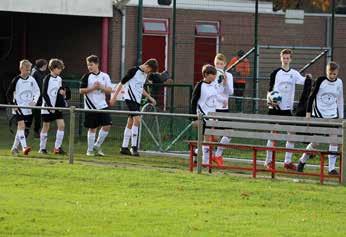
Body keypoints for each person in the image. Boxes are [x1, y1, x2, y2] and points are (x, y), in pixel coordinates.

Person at [264, 49, 311, 170]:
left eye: (287, 58)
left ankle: (287, 162)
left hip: (287, 110)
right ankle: (268, 161)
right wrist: (269, 100)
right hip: (275, 108)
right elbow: (269, 90)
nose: (285, 60)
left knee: (291, 134)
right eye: (284, 58)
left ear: (291, 59)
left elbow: (304, 82)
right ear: (281, 58)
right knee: (274, 134)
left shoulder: (294, 74)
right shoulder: (275, 73)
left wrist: (309, 79)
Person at [297, 62, 343, 175]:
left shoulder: (339, 82)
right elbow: (311, 97)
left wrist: (341, 117)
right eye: (330, 73)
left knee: (334, 140)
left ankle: (331, 168)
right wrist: (308, 113)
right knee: (316, 142)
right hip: (319, 115)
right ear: (326, 71)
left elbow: (340, 100)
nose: (332, 76)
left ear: (337, 73)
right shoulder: (321, 80)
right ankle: (302, 161)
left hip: (332, 116)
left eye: (334, 74)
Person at [110, 59, 158, 156]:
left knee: (131, 121)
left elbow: (140, 88)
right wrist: (114, 97)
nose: (149, 73)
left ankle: (124, 147)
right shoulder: (133, 71)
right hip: (129, 98)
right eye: (150, 71)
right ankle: (134, 147)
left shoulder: (144, 75)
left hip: (137, 100)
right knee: (137, 120)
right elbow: (121, 83)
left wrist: (150, 97)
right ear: (147, 66)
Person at [191, 64, 225, 165]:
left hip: (212, 116)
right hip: (203, 116)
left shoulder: (213, 85)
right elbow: (193, 101)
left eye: (215, 74)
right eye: (212, 74)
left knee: (216, 138)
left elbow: (216, 96)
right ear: (206, 74)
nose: (214, 76)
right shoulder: (200, 85)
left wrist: (224, 100)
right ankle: (205, 162)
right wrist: (194, 118)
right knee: (207, 138)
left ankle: (197, 151)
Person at [80, 55, 113, 157]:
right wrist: (93, 88)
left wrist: (101, 87)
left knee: (107, 125)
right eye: (88, 65)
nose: (89, 67)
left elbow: (110, 90)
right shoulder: (86, 76)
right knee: (92, 128)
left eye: (91, 64)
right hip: (90, 106)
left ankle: (97, 145)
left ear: (97, 64)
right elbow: (81, 91)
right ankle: (89, 150)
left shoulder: (105, 76)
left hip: (102, 105)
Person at [6, 59, 40, 156]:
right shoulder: (16, 80)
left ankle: (14, 148)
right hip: (18, 107)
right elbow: (8, 93)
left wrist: (34, 101)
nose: (28, 72)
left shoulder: (32, 80)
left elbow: (37, 91)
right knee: (22, 126)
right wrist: (13, 105)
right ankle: (24, 147)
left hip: (28, 108)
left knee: (21, 129)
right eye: (26, 70)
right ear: (21, 69)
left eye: (29, 70)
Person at [39, 59, 67, 154]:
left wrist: (62, 93)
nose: (60, 70)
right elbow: (44, 93)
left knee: (62, 125)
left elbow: (60, 90)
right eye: (59, 68)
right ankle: (42, 148)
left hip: (57, 107)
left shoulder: (59, 79)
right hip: (47, 107)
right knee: (46, 126)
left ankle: (57, 148)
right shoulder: (47, 78)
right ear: (53, 68)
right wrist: (49, 106)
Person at [212, 53, 234, 166]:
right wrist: (222, 100)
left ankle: (218, 154)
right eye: (217, 64)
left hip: (224, 109)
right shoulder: (212, 75)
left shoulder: (229, 75)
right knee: (213, 135)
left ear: (225, 64)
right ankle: (202, 155)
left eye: (221, 64)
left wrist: (226, 83)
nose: (219, 66)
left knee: (229, 133)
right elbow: (212, 92)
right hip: (214, 108)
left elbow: (230, 92)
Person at [31, 59, 48, 138]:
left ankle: (37, 131)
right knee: (35, 115)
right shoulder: (35, 73)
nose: (46, 67)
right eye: (45, 65)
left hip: (42, 97)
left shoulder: (43, 73)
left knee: (39, 115)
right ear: (42, 65)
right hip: (35, 97)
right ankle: (33, 131)